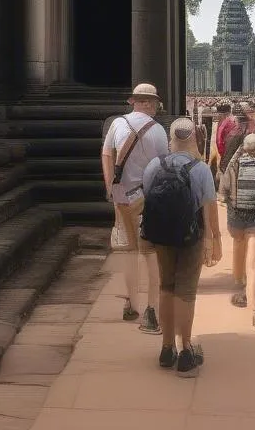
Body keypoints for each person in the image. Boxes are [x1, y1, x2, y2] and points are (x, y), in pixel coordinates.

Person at [141, 117, 222, 377]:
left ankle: (166, 348)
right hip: (191, 235)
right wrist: (214, 238)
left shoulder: (156, 164)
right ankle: (186, 349)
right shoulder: (200, 169)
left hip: (161, 235)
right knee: (186, 290)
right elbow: (209, 206)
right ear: (194, 139)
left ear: (171, 138)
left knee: (166, 285)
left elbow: (148, 195)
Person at [100, 83, 169, 332]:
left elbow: (106, 153)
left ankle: (130, 303)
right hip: (147, 197)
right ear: (151, 103)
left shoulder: (117, 124)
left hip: (120, 197)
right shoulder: (159, 130)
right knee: (150, 252)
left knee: (128, 250)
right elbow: (163, 165)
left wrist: (110, 184)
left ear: (134, 102)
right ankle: (152, 310)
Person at [220, 133, 255, 328]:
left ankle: (240, 289)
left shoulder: (234, 163)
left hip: (236, 217)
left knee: (239, 248)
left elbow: (224, 190)